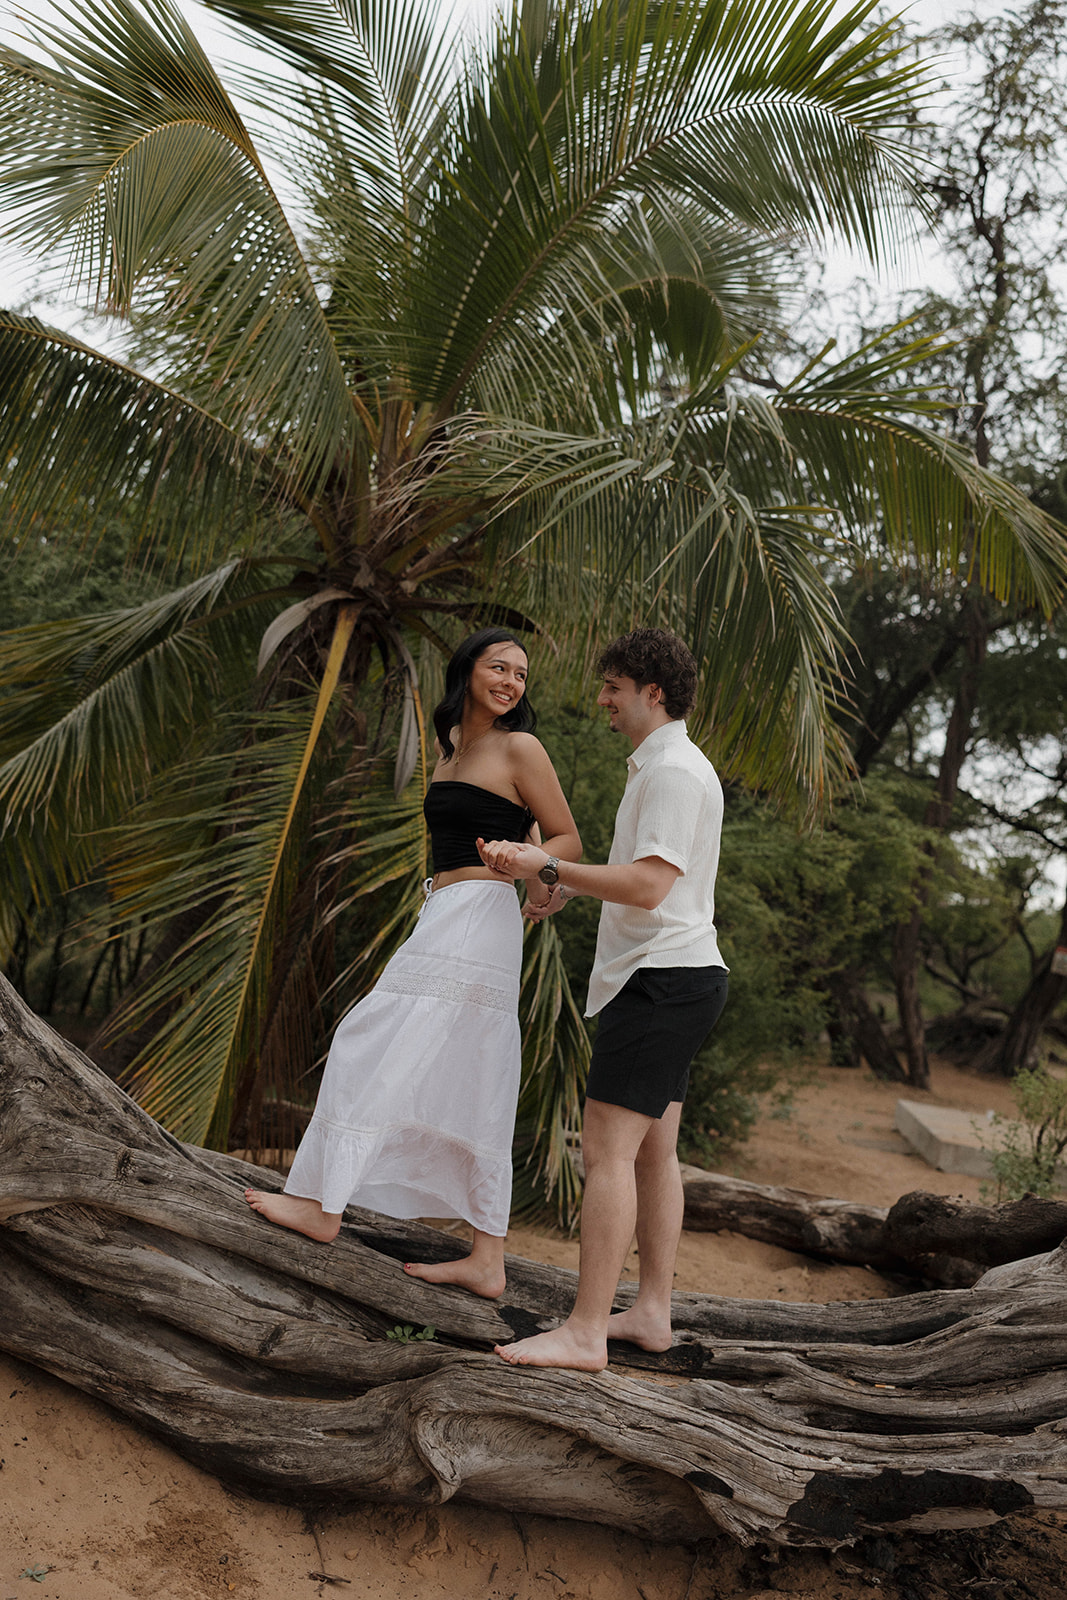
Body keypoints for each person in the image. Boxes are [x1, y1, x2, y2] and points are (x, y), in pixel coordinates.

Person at [245, 627, 581, 1299]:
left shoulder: (522, 747)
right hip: (442, 912)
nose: (511, 682)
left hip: (481, 917)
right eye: (499, 668)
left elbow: (564, 837)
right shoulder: (450, 745)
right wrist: (537, 876)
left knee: (367, 1040)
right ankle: (487, 1253)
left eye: (520, 674)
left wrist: (541, 878)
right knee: (469, 1067)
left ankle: (324, 1206)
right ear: (467, 671)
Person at [478, 627, 727, 1368]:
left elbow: (650, 886)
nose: (603, 701)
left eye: (613, 687)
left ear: (653, 691)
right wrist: (562, 882)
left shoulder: (675, 771)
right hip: (676, 976)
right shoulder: (663, 766)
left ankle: (586, 1331)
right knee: (654, 1153)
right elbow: (644, 882)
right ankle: (650, 1312)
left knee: (608, 1153)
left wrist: (545, 866)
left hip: (661, 981)